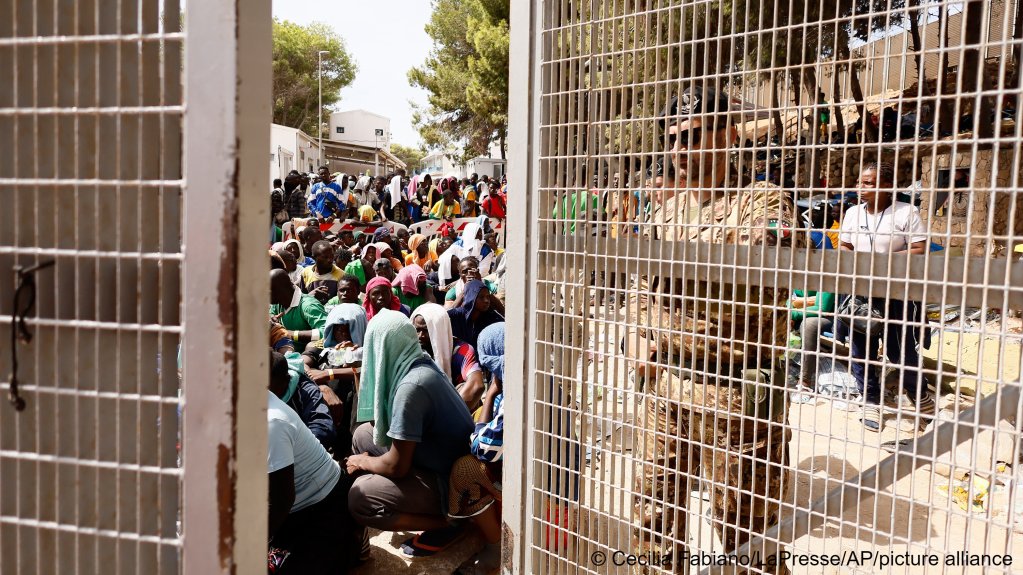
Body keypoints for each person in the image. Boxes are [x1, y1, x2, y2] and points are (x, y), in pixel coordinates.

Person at [625, 86, 800, 570]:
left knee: (747, 537)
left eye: (694, 136)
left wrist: (669, 298)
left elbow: (760, 293)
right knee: (652, 522)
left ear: (728, 137)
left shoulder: (763, 202)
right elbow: (640, 288)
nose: (680, 150)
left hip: (737, 397)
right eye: (674, 138)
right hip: (667, 386)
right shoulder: (664, 211)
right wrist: (641, 330)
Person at [346, 310, 474, 556]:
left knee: (360, 498)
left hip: (453, 487)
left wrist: (362, 461)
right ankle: (405, 500)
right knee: (363, 434)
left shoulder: (411, 388)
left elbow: (397, 467)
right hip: (439, 461)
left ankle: (451, 522)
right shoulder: (419, 361)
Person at [839, 161, 932, 431]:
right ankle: (870, 399)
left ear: (887, 186)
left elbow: (918, 248)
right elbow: (844, 245)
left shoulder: (906, 212)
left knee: (899, 350)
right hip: (861, 293)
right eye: (860, 182)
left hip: (898, 293)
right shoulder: (852, 213)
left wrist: (880, 264)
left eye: (868, 183)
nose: (860, 187)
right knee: (861, 349)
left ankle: (919, 396)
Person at [267, 359, 365, 574]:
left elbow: (282, 500)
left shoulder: (271, 422)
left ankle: (355, 537)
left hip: (321, 506)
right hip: (292, 508)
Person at [449, 322, 505, 575]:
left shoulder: (516, 396)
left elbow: (482, 449)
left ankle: (495, 552)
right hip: (559, 484)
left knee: (464, 469)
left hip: (546, 500)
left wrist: (492, 394)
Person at [412, 303, 485, 409]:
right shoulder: (412, 349)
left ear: (440, 329)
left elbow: (476, 385)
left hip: (452, 409)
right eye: (417, 330)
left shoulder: (461, 350)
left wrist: (448, 416)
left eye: (427, 330)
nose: (420, 336)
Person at [269, 350, 335, 451]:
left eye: (269, 389)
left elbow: (322, 427)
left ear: (287, 380)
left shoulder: (305, 390)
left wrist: (291, 451)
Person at [789, 289, 836, 401]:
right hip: (805, 310)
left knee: (809, 325)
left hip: (832, 315)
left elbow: (821, 307)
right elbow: (788, 300)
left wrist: (791, 312)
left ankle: (805, 382)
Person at [270, 269, 328, 346]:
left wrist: (290, 334)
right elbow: (271, 315)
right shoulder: (277, 303)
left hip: (302, 355)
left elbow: (326, 331)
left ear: (280, 290)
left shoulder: (308, 305)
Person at [447, 280, 504, 351]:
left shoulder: (491, 316)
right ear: (471, 297)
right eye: (481, 297)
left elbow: (506, 325)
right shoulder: (455, 315)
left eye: (488, 297)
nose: (486, 300)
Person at [300, 240, 345, 304]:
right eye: (325, 257)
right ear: (314, 258)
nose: (330, 260)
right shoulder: (306, 273)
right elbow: (302, 299)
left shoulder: (341, 275)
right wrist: (310, 296)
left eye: (332, 256)